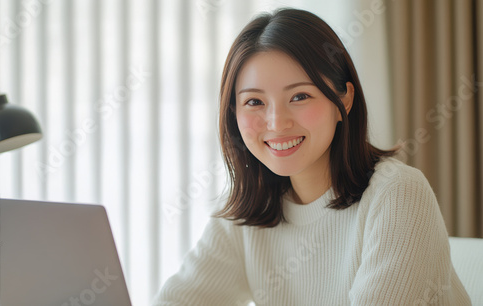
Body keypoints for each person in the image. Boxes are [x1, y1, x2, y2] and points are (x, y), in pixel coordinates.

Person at [152, 8, 471, 305]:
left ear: (343, 101)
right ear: (233, 112)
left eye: (300, 96)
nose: (277, 122)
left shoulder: (397, 195)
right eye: (254, 102)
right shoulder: (249, 214)